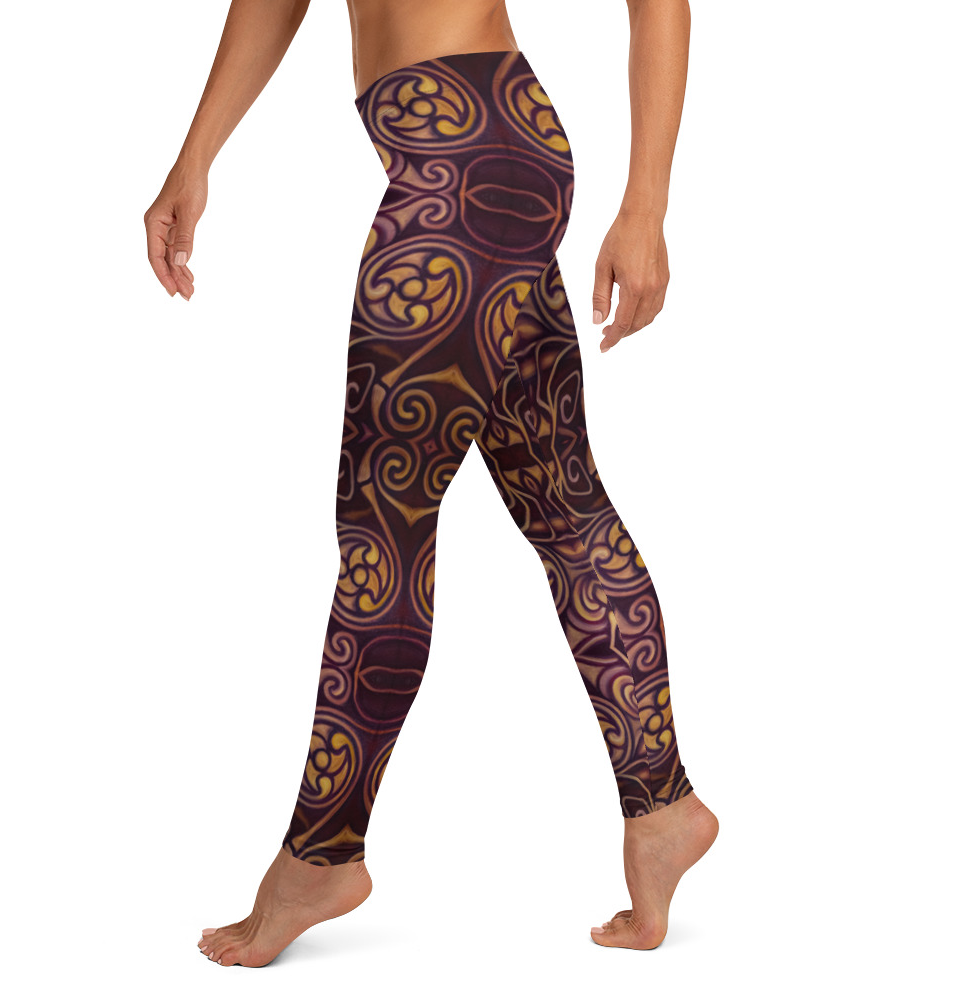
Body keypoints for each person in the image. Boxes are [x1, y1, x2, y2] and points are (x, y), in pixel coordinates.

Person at [144, 0, 717, 967]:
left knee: (384, 530)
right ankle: (663, 809)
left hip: (463, 174)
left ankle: (323, 854)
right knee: (565, 507)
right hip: (476, 155)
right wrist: (195, 156)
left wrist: (647, 207)